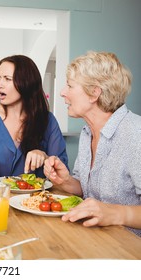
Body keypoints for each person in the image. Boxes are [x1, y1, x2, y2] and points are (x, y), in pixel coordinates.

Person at [44, 51, 141, 236]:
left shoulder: (136, 134)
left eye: (70, 86)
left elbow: (106, 209)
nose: (62, 92)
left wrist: (117, 213)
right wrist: (66, 181)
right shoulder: (88, 132)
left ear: (94, 93)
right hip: (94, 240)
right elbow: (87, 191)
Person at [0, 55, 68, 181]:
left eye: (7, 79)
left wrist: (45, 158)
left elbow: (63, 174)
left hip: (33, 200)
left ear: (26, 83)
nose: (0, 85)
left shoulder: (48, 121)